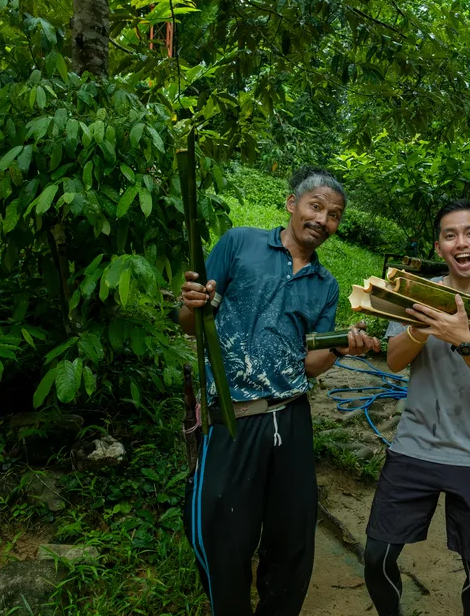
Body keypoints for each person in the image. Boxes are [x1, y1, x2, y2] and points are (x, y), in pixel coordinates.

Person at [178, 166, 380, 616]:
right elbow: (191, 322)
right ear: (292, 204)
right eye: (316, 207)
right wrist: (190, 304)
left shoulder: (326, 285)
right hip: (232, 414)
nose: (323, 220)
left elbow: (310, 365)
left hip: (290, 414)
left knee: (293, 534)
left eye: (334, 215)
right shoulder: (240, 243)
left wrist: (343, 350)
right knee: (222, 530)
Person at [363, 200, 470, 616]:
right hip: (414, 445)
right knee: (377, 557)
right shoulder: (416, 294)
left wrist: (463, 339)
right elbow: (396, 361)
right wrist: (420, 328)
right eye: (450, 235)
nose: (461, 242)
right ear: (439, 247)